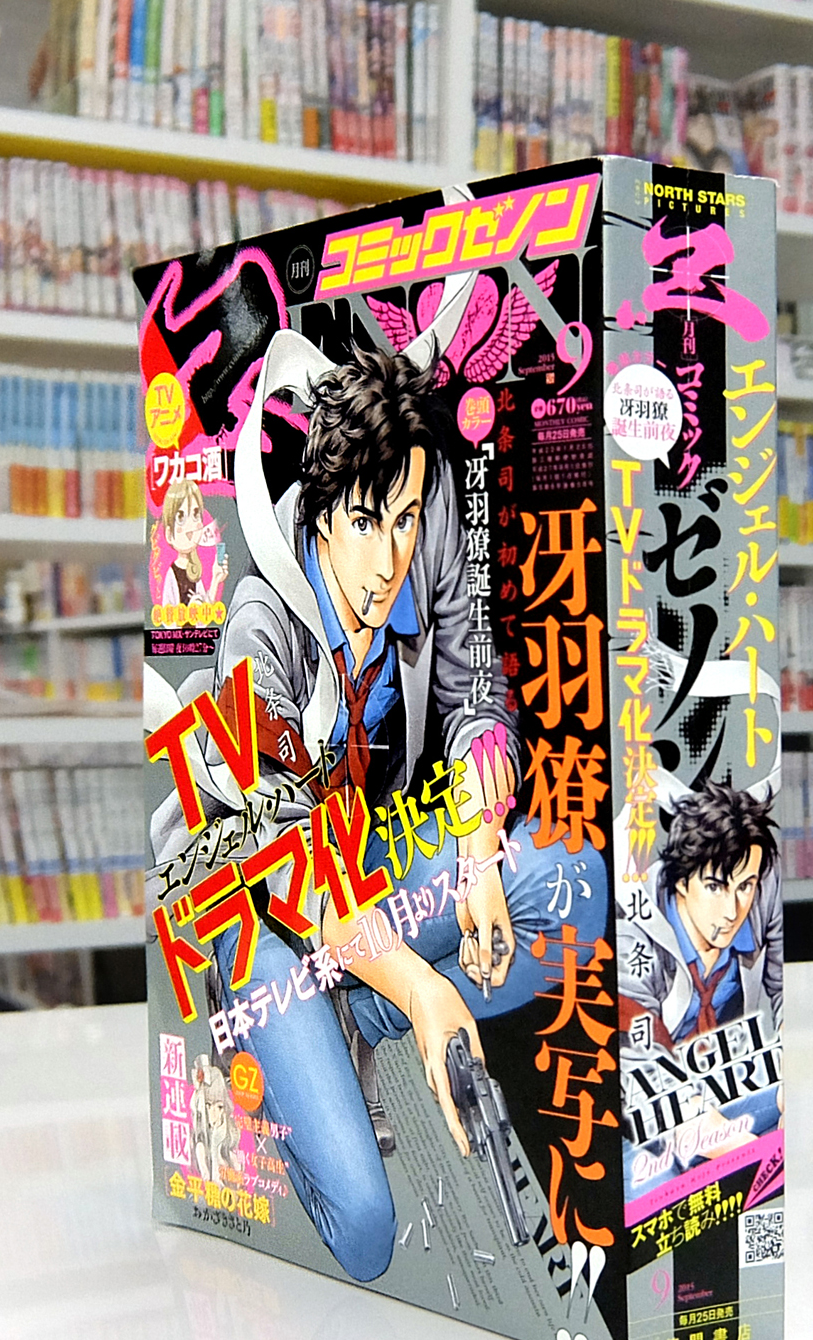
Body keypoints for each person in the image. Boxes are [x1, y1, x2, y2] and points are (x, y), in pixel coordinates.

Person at [156, 338, 605, 1283]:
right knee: (363, 1234)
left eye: (404, 520)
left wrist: (478, 850)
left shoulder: (420, 527)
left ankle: (357, 1010)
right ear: (320, 515)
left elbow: (479, 695)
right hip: (266, 921)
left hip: (377, 869)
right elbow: (289, 874)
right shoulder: (259, 630)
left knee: (572, 883)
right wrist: (425, 990)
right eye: (366, 522)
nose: (390, 556)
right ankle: (299, 1047)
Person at [618, 779, 782, 1051]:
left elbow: (783, 989)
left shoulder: (762, 882)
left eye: (744, 887)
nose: (732, 912)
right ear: (681, 882)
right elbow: (638, 1054)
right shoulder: (633, 938)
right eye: (715, 887)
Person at [157, 477, 229, 610]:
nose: (190, 526)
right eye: (180, 517)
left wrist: (216, 579)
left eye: (196, 515)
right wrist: (189, 611)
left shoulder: (194, 571)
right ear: (169, 534)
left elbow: (206, 612)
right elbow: (167, 618)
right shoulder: (172, 575)